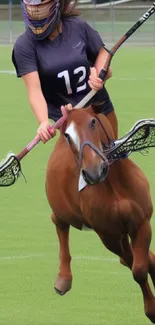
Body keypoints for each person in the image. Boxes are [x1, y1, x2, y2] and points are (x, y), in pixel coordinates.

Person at [12, 0, 118, 143]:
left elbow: (103, 53)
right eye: (32, 8)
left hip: (100, 110)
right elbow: (34, 90)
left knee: (115, 161)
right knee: (83, 164)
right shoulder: (24, 46)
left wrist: (100, 74)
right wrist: (43, 122)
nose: (36, 13)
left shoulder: (78, 26)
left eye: (42, 7)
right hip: (68, 121)